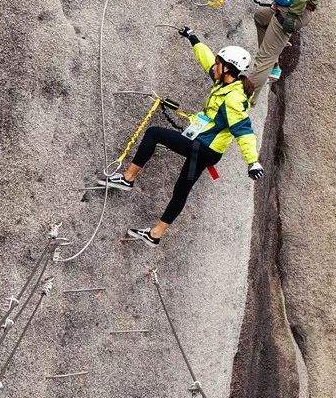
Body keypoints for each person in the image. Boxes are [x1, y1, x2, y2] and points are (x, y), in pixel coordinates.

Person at [94, 29, 264, 247]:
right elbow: (208, 60)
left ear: (229, 68)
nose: (215, 66)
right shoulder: (225, 83)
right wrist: (193, 38)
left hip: (204, 147)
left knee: (154, 133)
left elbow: (243, 130)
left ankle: (127, 179)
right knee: (181, 190)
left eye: (219, 63)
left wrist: (252, 161)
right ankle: (155, 235)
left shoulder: (233, 98)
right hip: (206, 149)